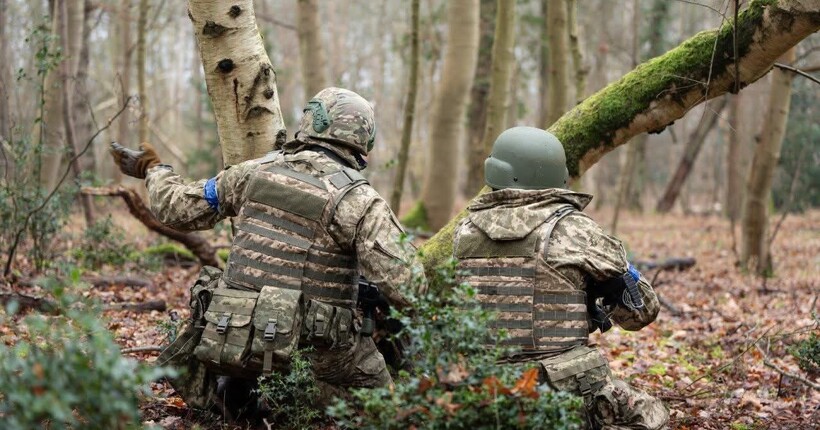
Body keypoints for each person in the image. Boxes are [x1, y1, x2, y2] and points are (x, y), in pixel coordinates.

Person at [110, 87, 424, 416]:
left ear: (311, 122)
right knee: (391, 408)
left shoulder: (252, 173)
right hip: (316, 356)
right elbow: (409, 287)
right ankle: (291, 400)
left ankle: (243, 391)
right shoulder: (359, 202)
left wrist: (152, 169)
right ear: (363, 139)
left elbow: (176, 208)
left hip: (235, 340)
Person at [452, 126, 669, 429]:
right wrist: (613, 282)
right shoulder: (574, 229)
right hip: (556, 393)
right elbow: (642, 313)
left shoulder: (463, 233)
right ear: (556, 174)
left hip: (479, 393)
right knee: (649, 413)